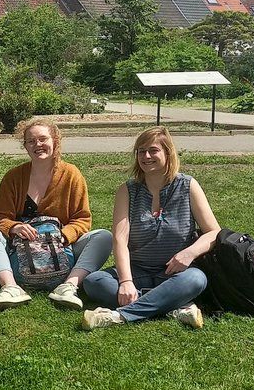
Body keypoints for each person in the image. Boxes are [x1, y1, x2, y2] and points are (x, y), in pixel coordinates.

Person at [81, 127, 219, 329]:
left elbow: (214, 233)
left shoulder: (187, 185)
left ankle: (119, 316)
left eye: (153, 150)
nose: (146, 156)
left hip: (175, 272)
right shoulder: (128, 190)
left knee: (196, 279)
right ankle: (173, 306)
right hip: (139, 272)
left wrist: (189, 254)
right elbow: (120, 240)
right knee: (94, 281)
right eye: (141, 151)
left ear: (167, 153)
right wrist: (126, 281)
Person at [0, 119, 113, 311]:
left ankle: (69, 286)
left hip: (60, 247)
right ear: (25, 146)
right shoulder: (13, 177)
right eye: (31, 141)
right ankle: (10, 287)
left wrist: (63, 235)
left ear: (55, 141)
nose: (37, 145)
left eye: (43, 139)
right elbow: (0, 217)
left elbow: (83, 219)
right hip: (22, 248)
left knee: (104, 236)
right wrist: (14, 227)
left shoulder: (71, 174)